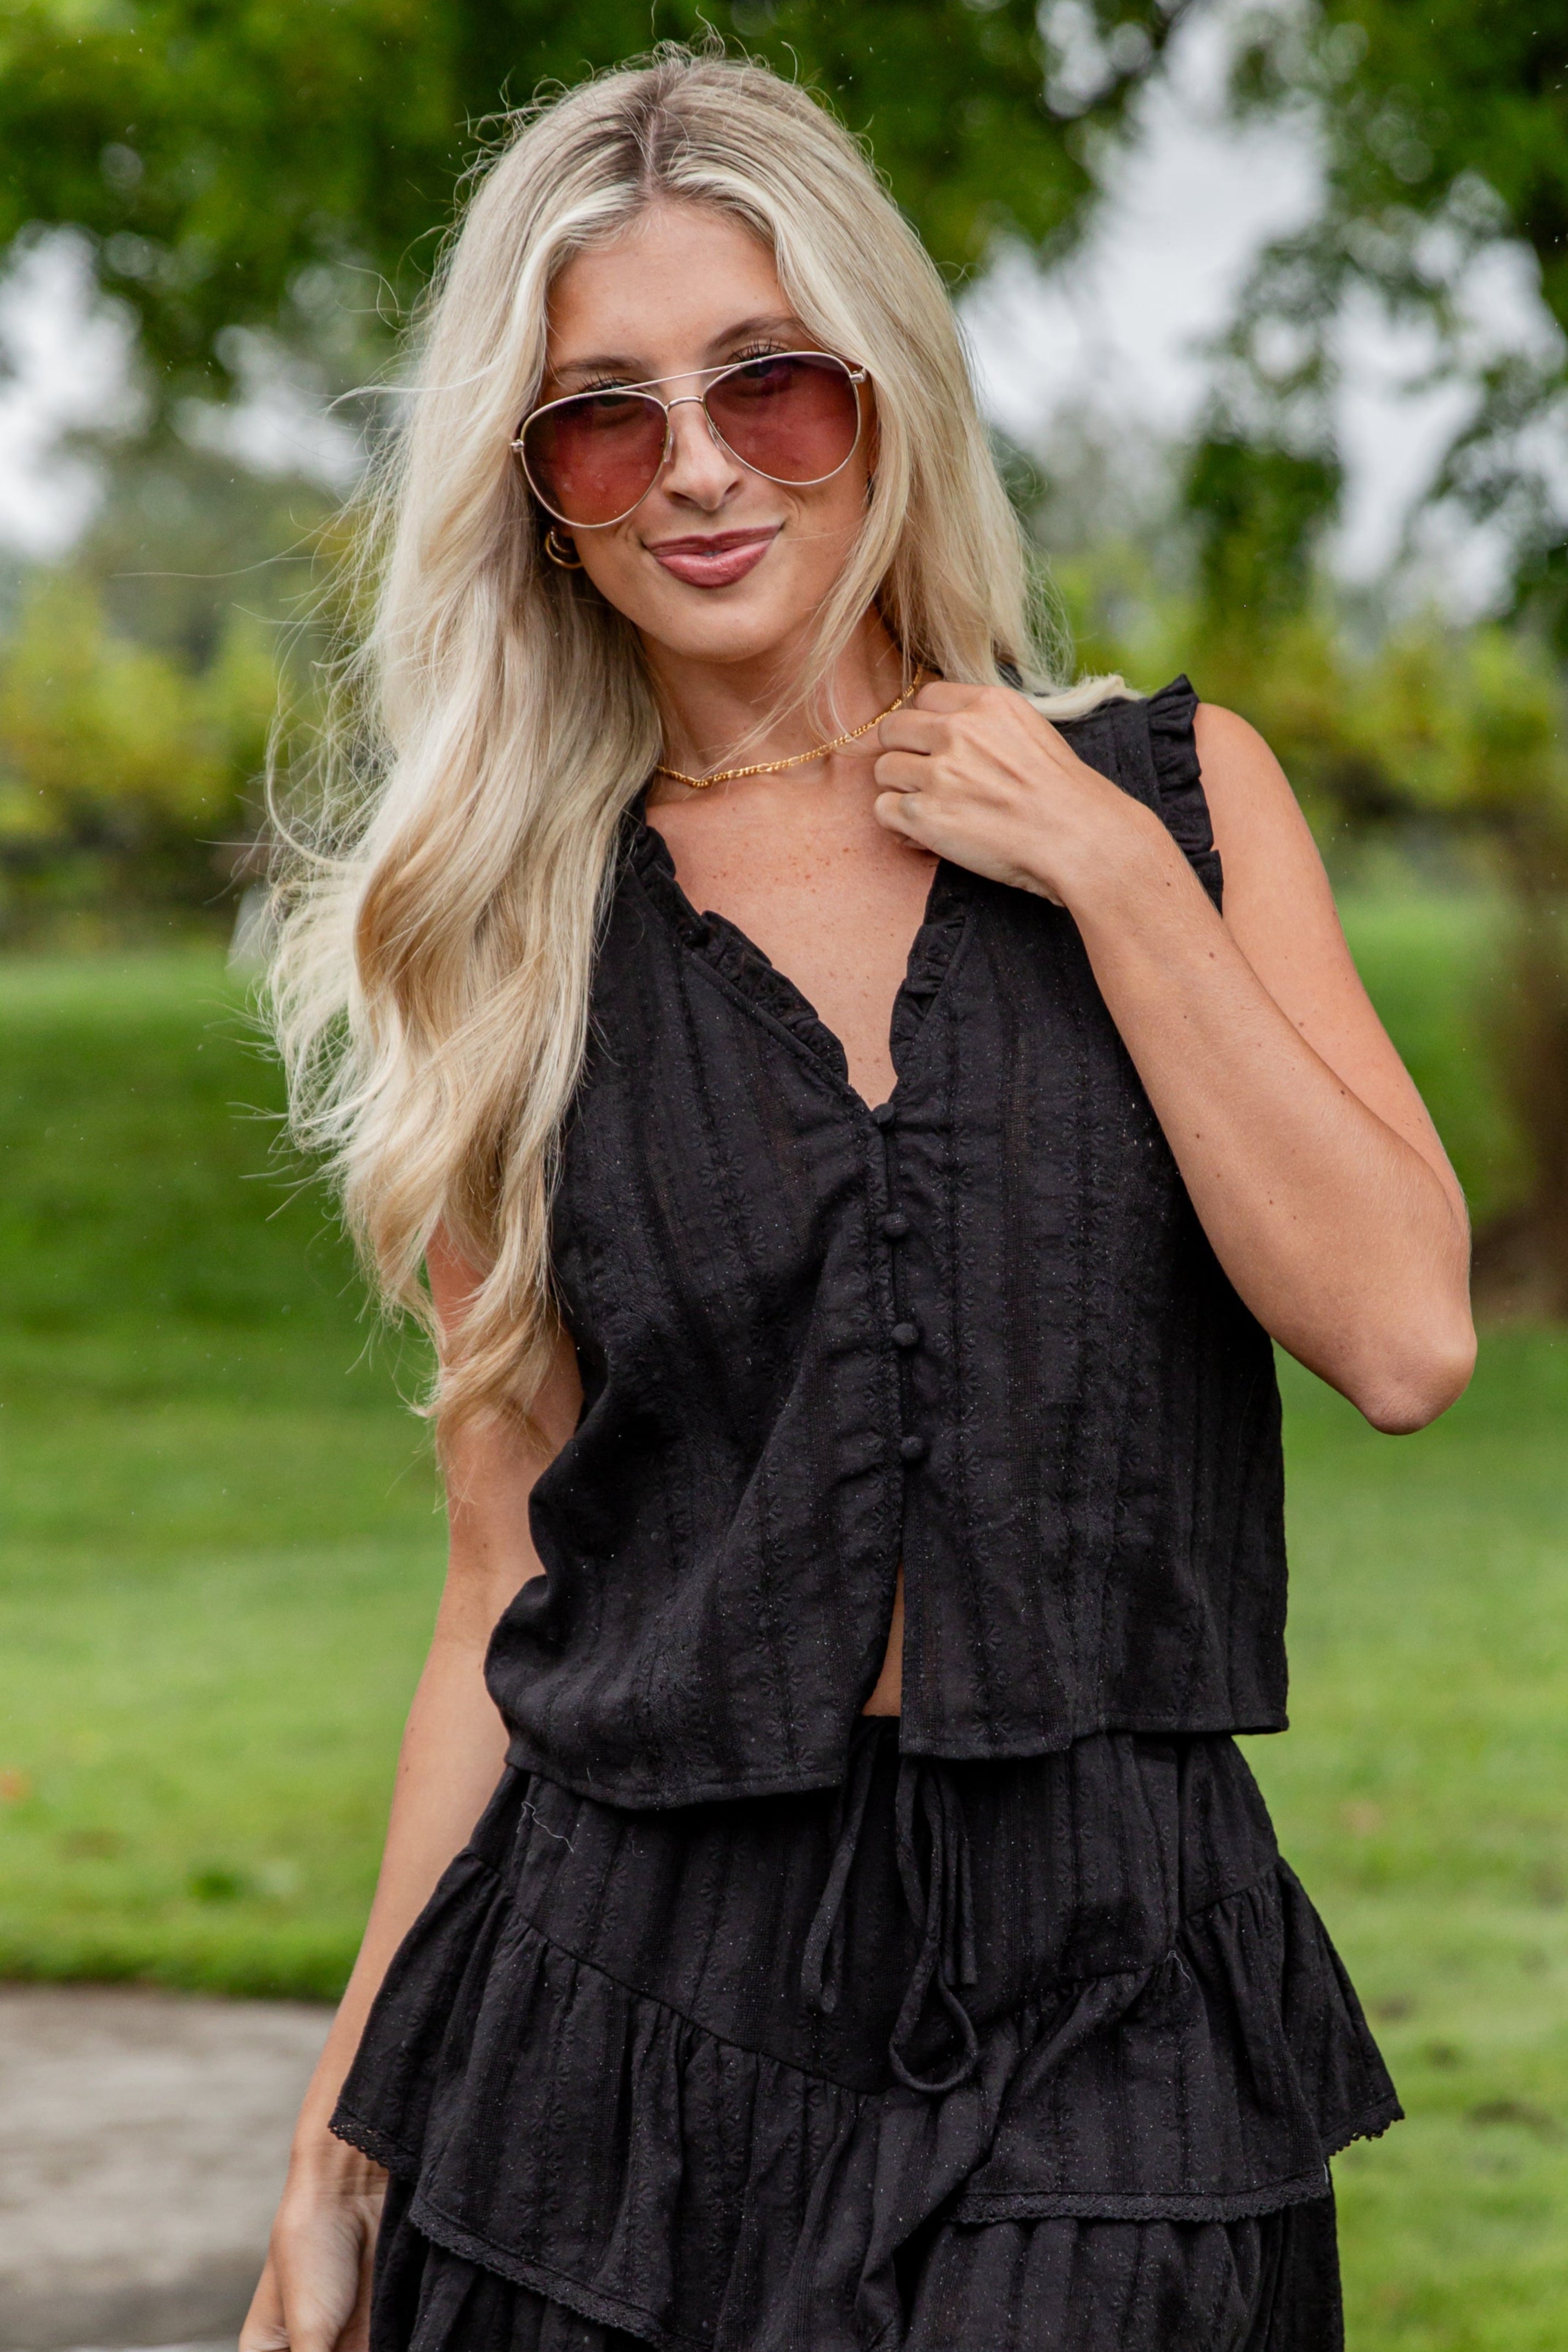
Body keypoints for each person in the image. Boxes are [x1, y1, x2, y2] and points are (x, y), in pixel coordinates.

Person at [243, 48, 1475, 2352]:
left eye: (770, 384)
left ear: (885, 397)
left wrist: (1110, 879)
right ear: (535, 494)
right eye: (605, 417)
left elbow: (1403, 1332)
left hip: (1121, 1974)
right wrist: (335, 2148)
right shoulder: (510, 941)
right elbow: (504, 1591)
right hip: (622, 2016)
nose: (700, 467)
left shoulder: (1176, 803)